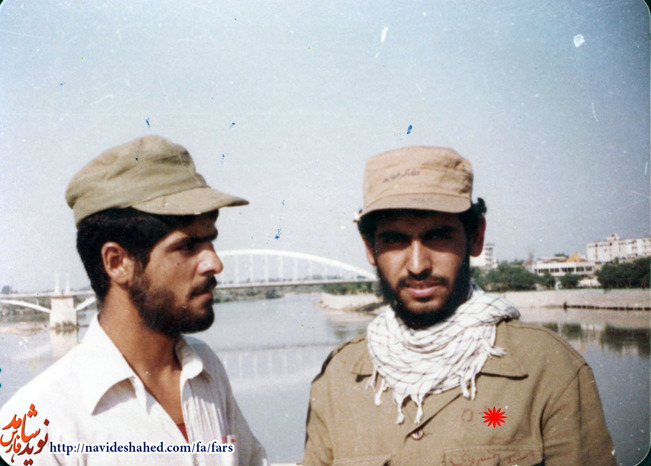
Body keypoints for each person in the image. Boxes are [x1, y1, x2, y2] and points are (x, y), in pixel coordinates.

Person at [303, 146, 615, 465]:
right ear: (370, 248)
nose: (417, 265)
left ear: (476, 236)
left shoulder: (549, 369)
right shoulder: (338, 379)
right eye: (395, 240)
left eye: (438, 236)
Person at [0, 135, 267, 465]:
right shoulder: (37, 424)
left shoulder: (205, 370)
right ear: (117, 263)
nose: (214, 263)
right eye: (187, 246)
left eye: (210, 242)